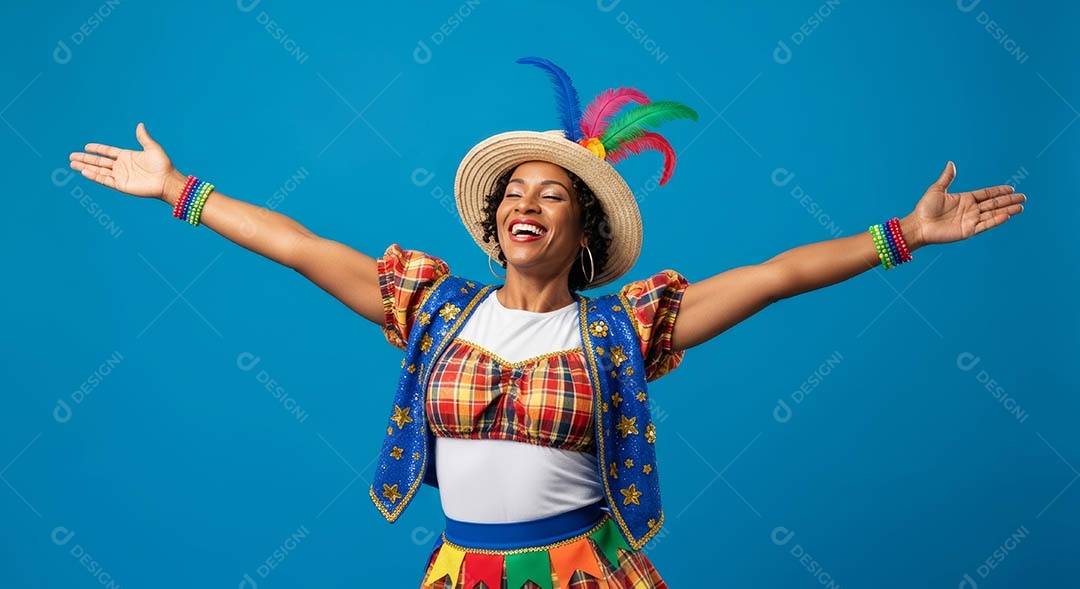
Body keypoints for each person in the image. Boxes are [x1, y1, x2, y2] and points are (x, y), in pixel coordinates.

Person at [68, 57, 1025, 589]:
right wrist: (177, 190)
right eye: (514, 192)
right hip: (461, 573)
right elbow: (297, 244)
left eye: (553, 195)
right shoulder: (430, 308)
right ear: (495, 224)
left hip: (584, 573)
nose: (528, 202)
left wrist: (902, 233)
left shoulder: (626, 332)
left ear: (584, 228)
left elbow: (774, 276)